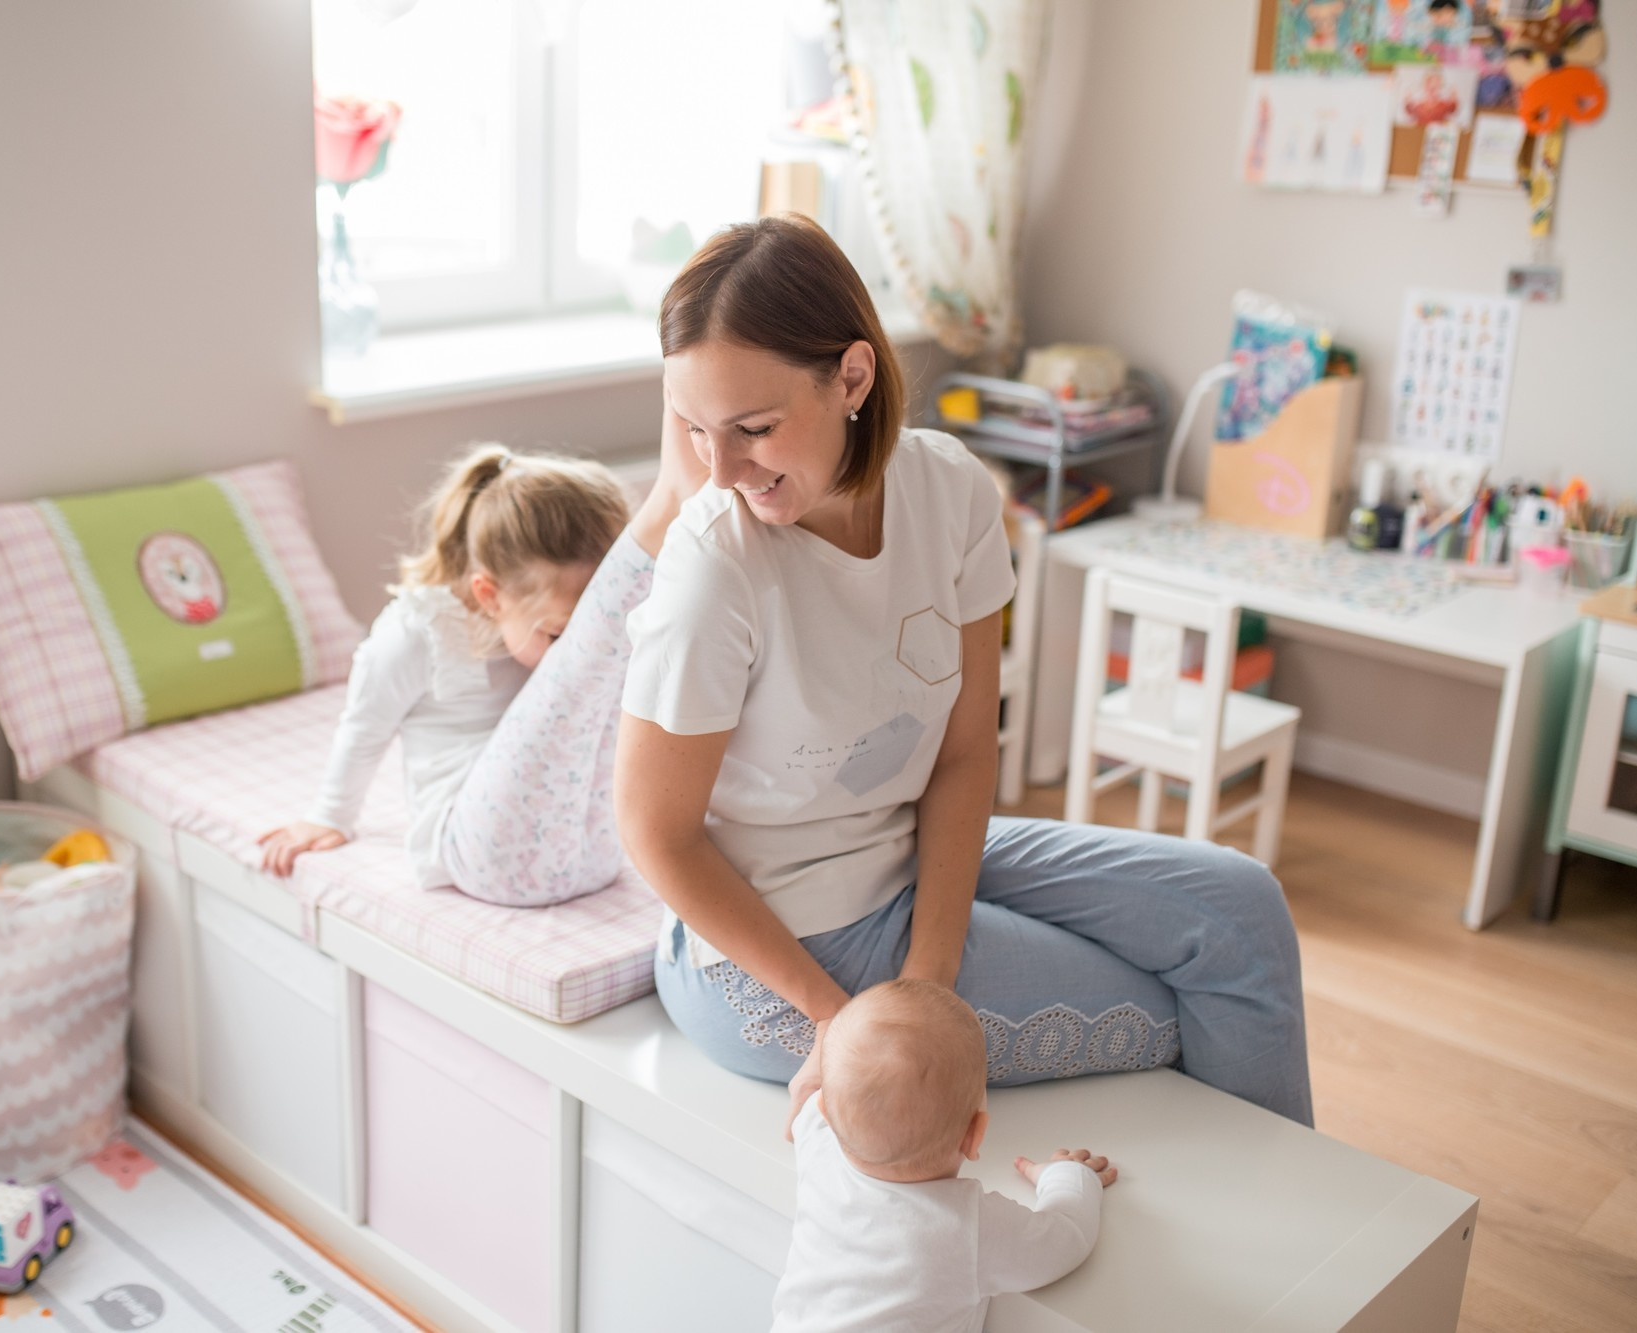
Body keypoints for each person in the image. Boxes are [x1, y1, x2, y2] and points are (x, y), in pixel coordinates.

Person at [615, 214, 1312, 1126]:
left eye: (751, 428)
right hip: (782, 942)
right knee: (1195, 1007)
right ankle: (1256, 1243)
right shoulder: (717, 564)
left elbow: (960, 752)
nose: (722, 469)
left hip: (905, 857)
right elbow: (655, 833)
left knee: (1238, 912)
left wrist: (931, 979)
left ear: (853, 377)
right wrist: (853, 1020)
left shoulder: (952, 493)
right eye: (697, 430)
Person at [260, 426, 705, 907]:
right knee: (593, 659)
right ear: (488, 595)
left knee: (631, 668)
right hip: (481, 848)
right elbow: (364, 726)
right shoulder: (418, 630)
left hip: (593, 853)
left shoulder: (538, 621)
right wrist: (330, 815)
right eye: (557, 633)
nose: (565, 647)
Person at [773, 979, 1115, 1333]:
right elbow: (1067, 1241)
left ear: (826, 1112)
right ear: (974, 1135)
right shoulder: (970, 1227)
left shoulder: (817, 1146)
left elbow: (812, 1104)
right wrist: (1069, 1176)